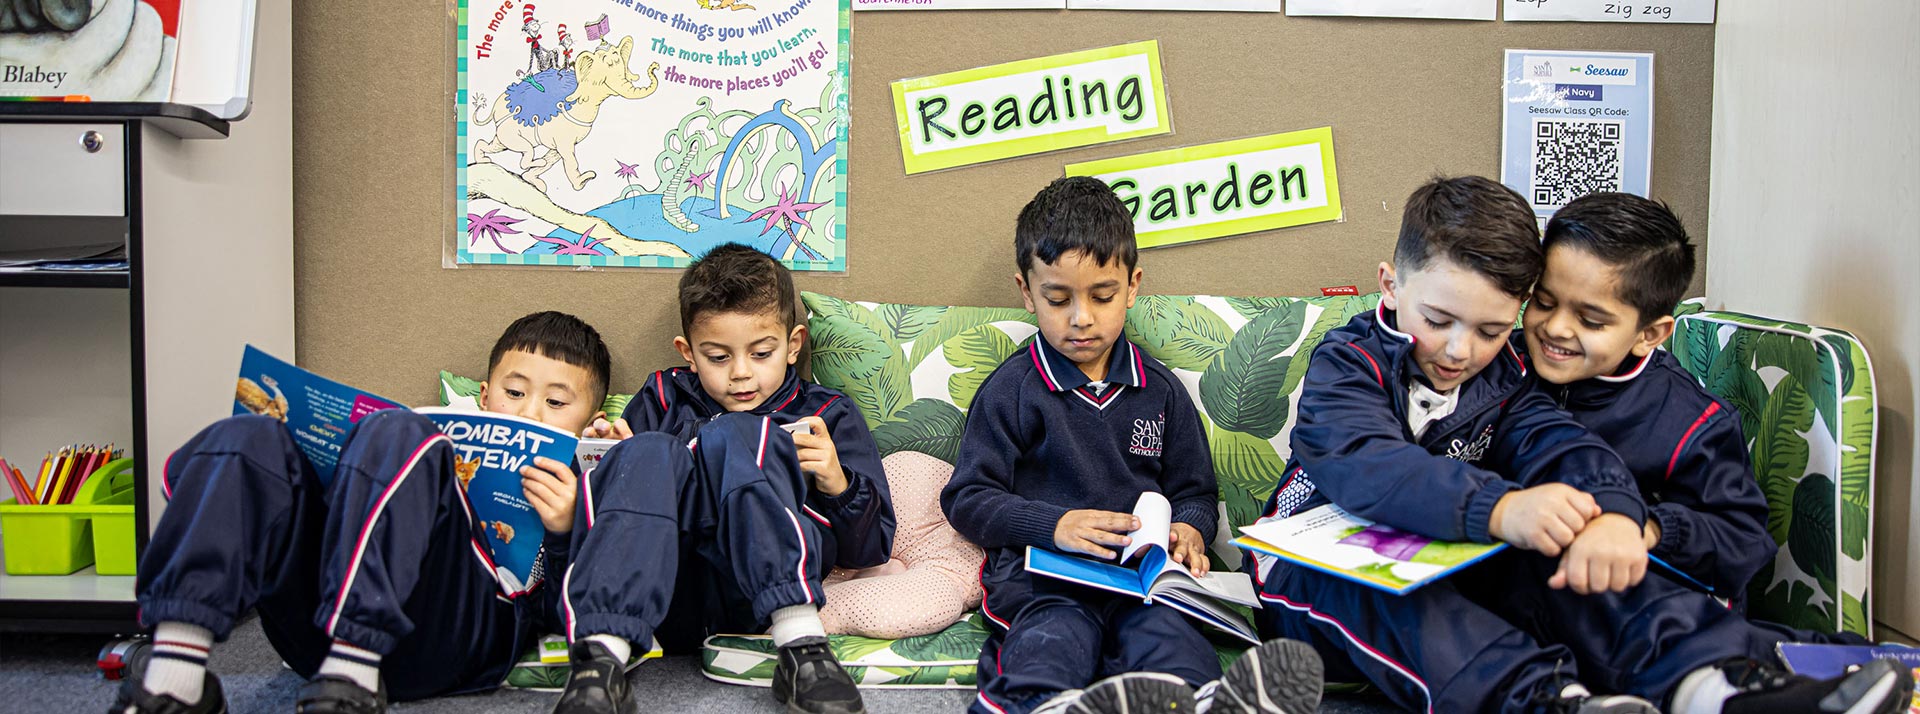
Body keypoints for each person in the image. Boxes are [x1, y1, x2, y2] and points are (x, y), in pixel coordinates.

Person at [118, 311, 666, 714]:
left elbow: (560, 613)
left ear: (590, 414)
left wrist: (569, 528)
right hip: (317, 637)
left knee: (400, 434)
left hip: (458, 638)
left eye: (555, 403)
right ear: (483, 394)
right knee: (250, 437)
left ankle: (354, 678)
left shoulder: (587, 471)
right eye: (514, 391)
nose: (528, 410)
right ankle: (174, 673)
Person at [943, 176, 1324, 714]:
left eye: (1102, 296)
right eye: (1058, 299)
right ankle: (1047, 704)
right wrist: (1055, 525)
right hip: (1045, 580)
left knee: (1174, 646)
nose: (1081, 318)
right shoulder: (1012, 391)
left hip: (1141, 583)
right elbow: (967, 498)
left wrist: (1190, 529)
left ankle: (1209, 702)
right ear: (1027, 292)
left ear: (1132, 285)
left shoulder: (1161, 391)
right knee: (1049, 650)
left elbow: (1193, 490)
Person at [576, 243, 895, 714]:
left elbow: (873, 550)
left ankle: (801, 647)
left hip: (765, 600)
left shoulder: (828, 413)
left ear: (793, 345)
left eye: (761, 352)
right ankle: (602, 659)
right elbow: (617, 518)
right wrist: (611, 459)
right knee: (645, 451)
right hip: (670, 593)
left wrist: (837, 481)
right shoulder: (663, 398)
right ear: (689, 353)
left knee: (739, 433)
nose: (741, 374)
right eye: (719, 357)